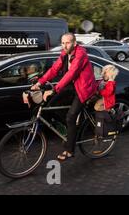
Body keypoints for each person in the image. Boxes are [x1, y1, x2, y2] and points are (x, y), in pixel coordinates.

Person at [31, 33, 97, 161]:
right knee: (51, 105)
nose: (64, 46)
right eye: (62, 43)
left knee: (70, 117)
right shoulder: (64, 54)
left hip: (83, 89)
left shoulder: (80, 54)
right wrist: (40, 82)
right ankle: (70, 128)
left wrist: (54, 90)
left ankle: (69, 150)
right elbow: (54, 69)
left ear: (74, 43)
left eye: (67, 43)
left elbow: (71, 74)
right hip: (73, 86)